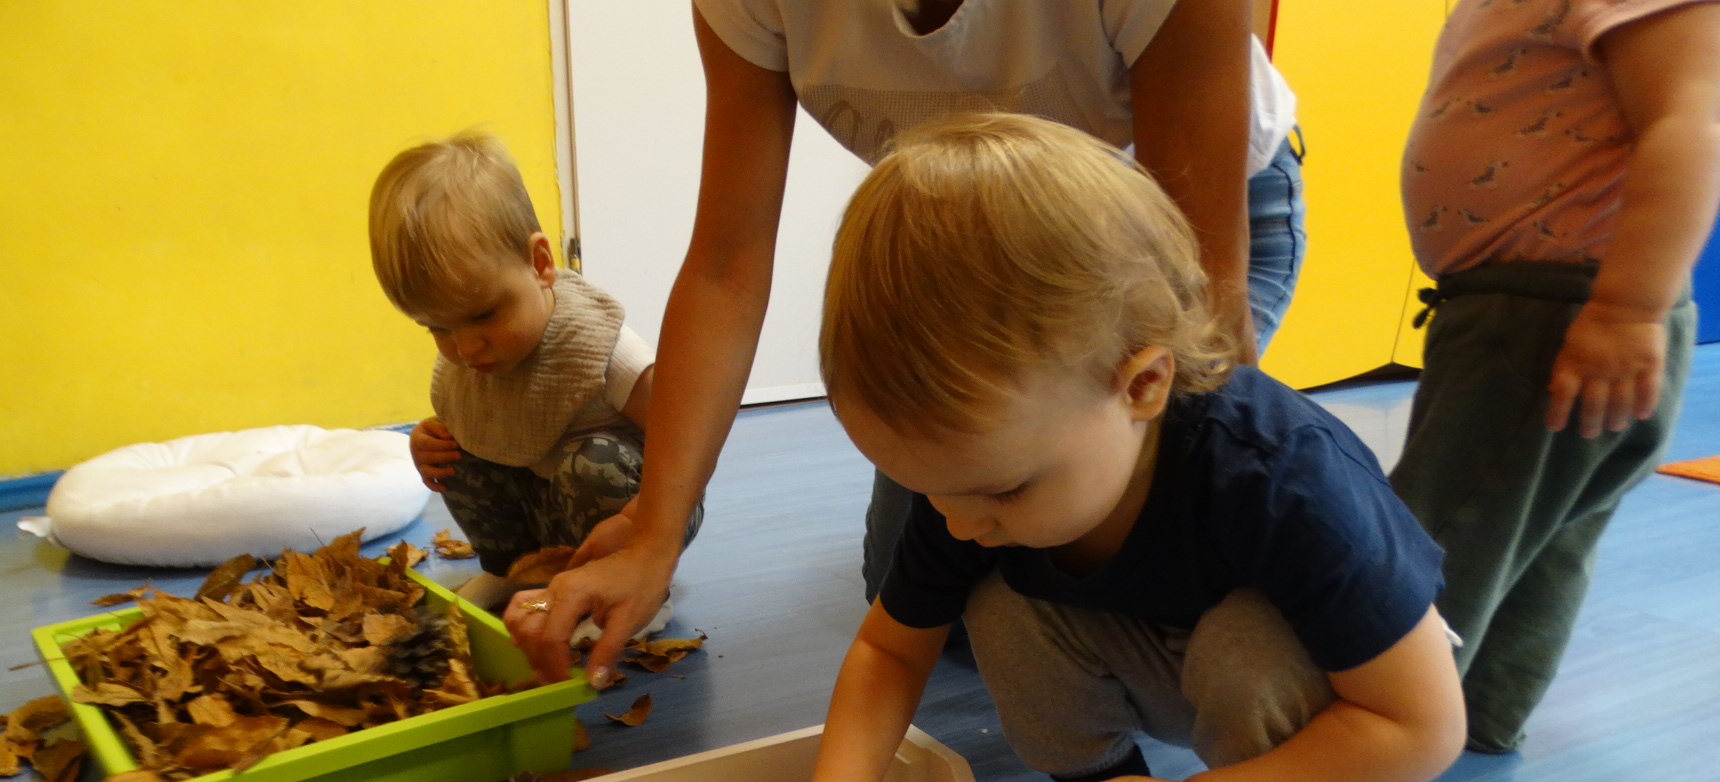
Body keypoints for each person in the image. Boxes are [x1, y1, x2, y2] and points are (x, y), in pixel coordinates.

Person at [746, 115, 1466, 782]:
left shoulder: (1284, 483)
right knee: (996, 601)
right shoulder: (976, 489)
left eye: (999, 490)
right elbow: (891, 650)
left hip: (1339, 688)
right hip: (1156, 648)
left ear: (1143, 386)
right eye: (929, 490)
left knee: (1248, 653)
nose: (957, 523)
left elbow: (1422, 725)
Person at [508, 0, 1308, 686]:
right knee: (942, 586)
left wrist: (1218, 518)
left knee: (1135, 558)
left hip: (1165, 246)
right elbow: (726, 264)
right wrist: (655, 531)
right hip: (976, 245)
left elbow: (1201, 287)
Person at [1389, 0, 1720, 753]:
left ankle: (1365, 730)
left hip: (1558, 310)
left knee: (1444, 527)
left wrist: (1627, 309)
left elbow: (1688, 123)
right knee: (1540, 536)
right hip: (1552, 302)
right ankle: (1479, 710)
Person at [368, 133, 702, 622]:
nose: (465, 348)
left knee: (590, 461)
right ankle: (516, 571)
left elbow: (686, 438)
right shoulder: (474, 353)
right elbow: (483, 424)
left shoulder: (601, 347)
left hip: (646, 509)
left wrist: (646, 524)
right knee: (458, 446)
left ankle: (635, 591)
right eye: (437, 327)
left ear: (540, 264)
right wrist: (429, 444)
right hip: (550, 512)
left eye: (483, 315)